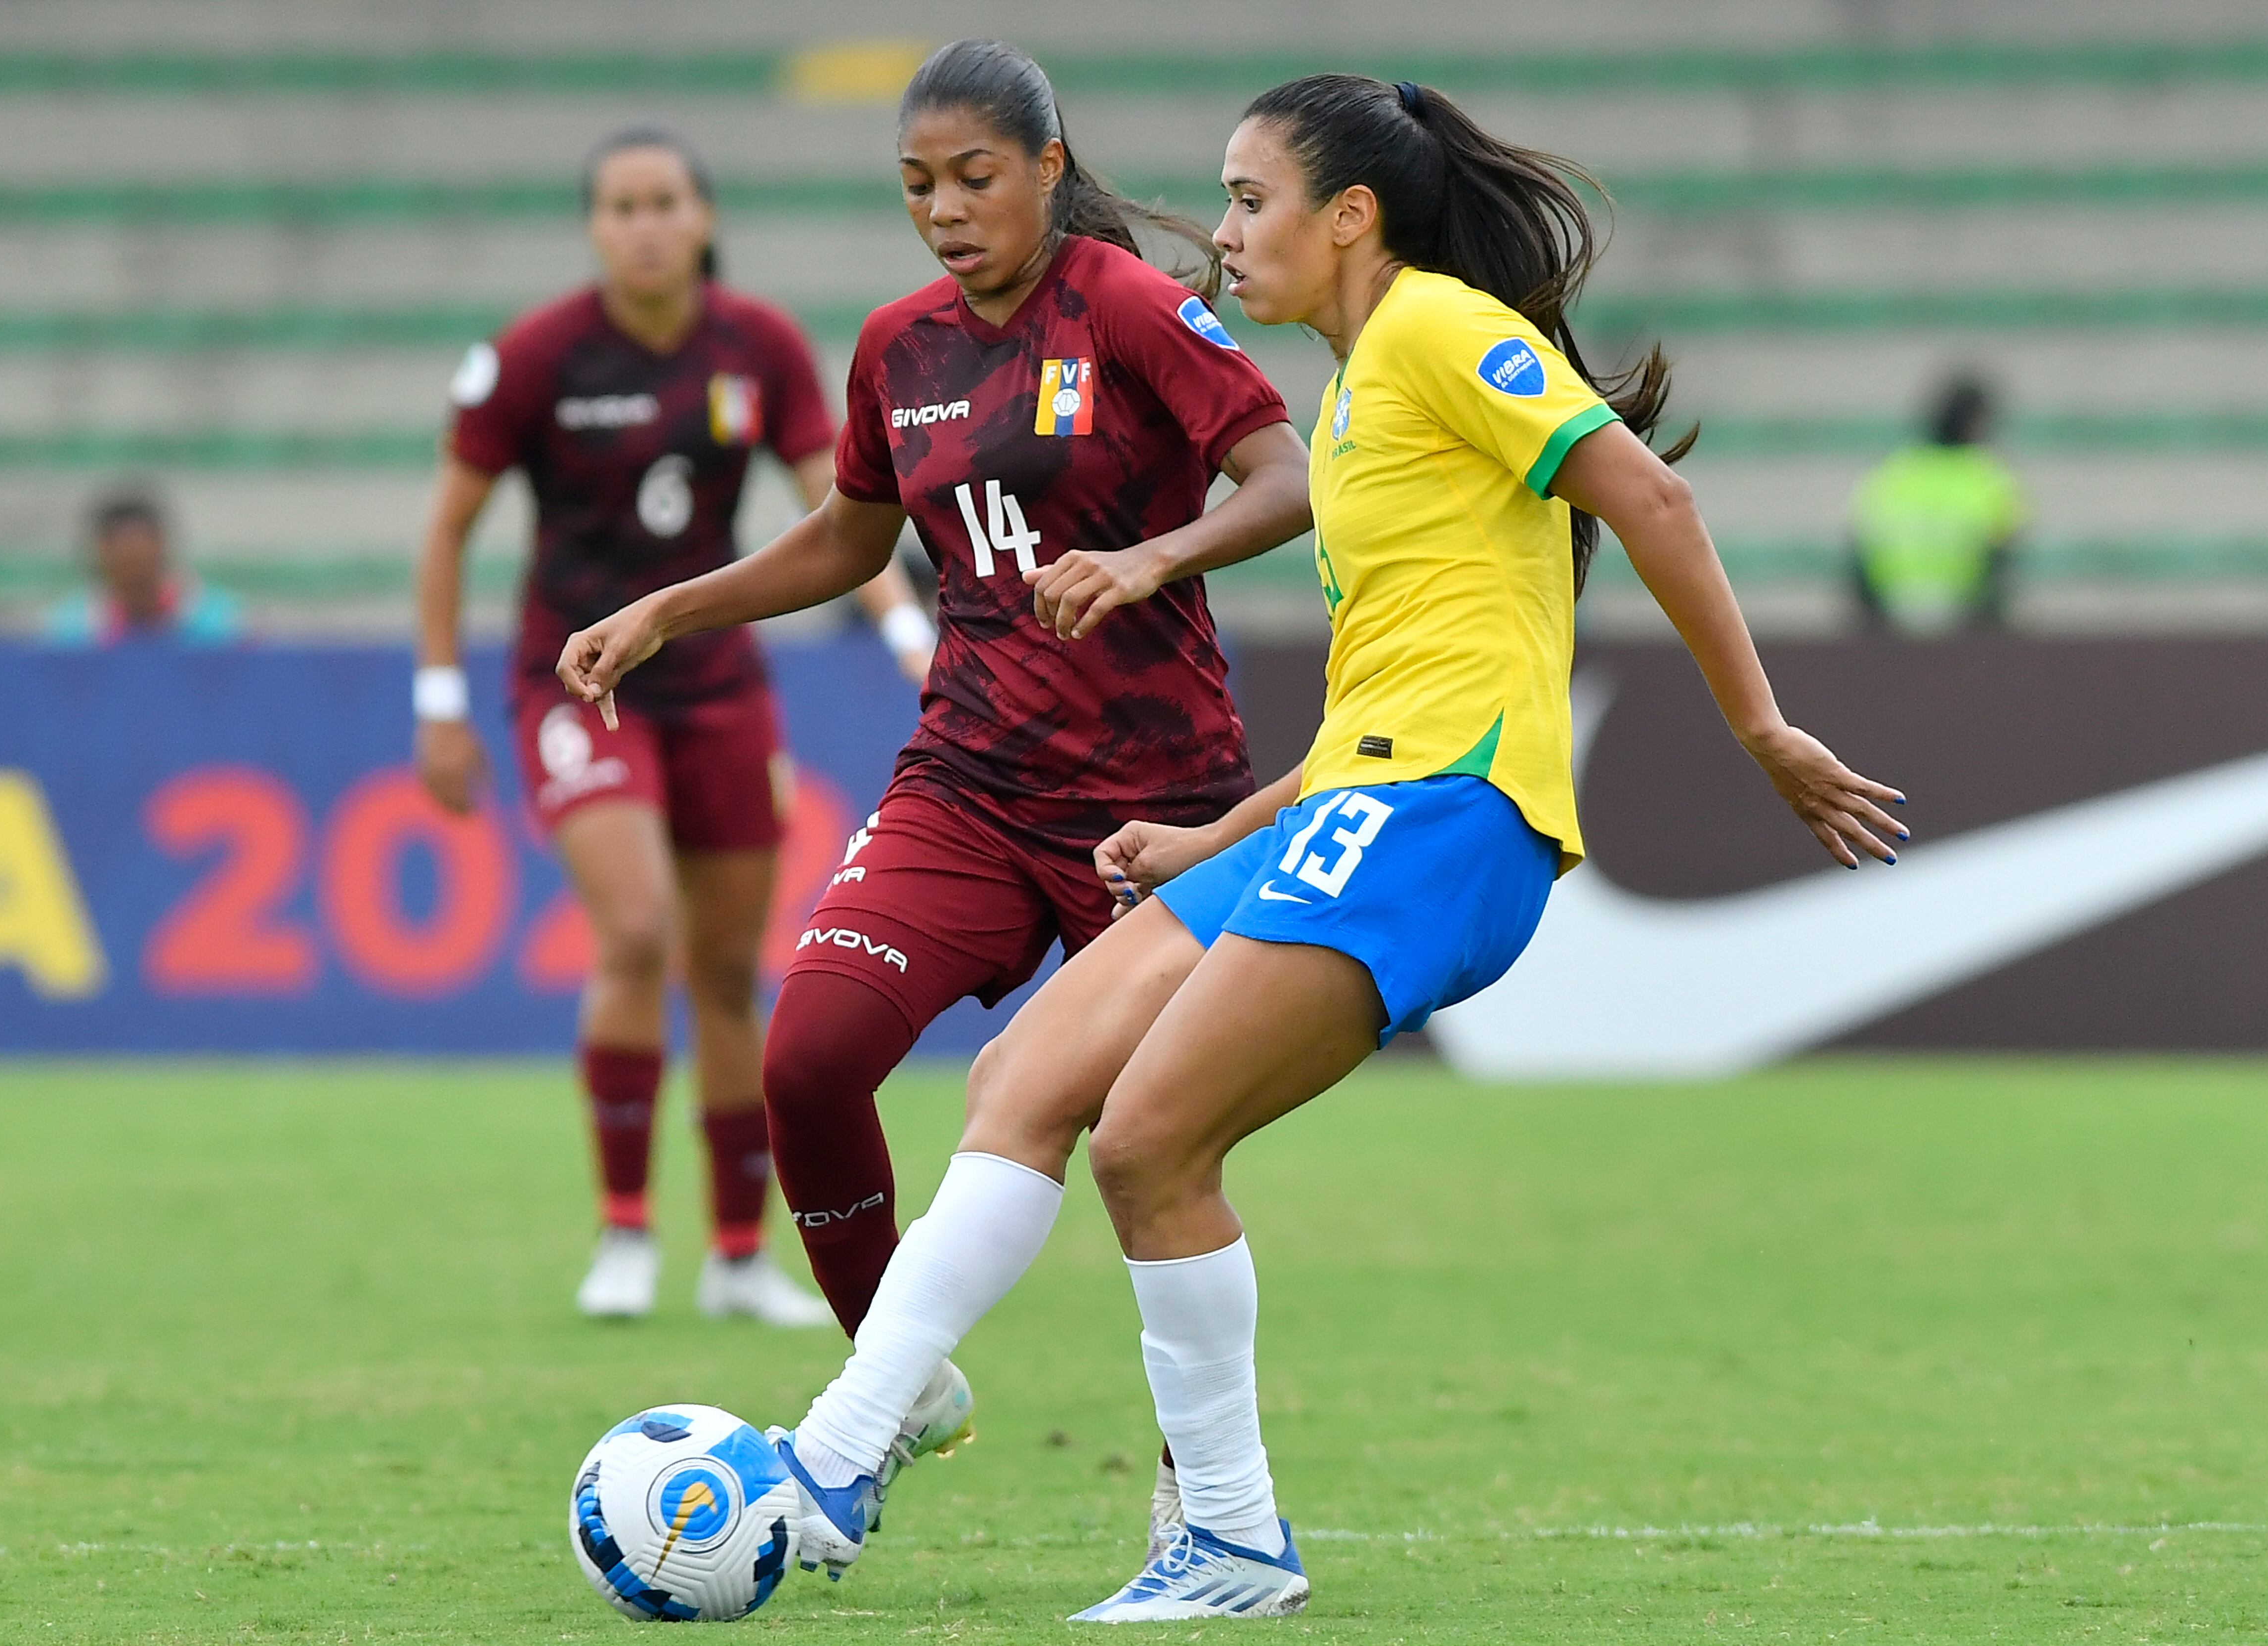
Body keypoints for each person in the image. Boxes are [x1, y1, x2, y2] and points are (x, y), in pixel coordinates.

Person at [589, 74, 1911, 1622]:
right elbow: (1378, 707)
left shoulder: (1439, 329)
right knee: (1025, 1078)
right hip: (1357, 800)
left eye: (1248, 199)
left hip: (1449, 819)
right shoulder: (1355, 396)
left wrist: (1762, 728)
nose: (1220, 235)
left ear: (1349, 215)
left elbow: (1650, 491)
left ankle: (1206, 1532)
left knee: (1149, 1142)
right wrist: (1215, 833)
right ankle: (847, 1454)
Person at [555, 39, 1312, 1484]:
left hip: (1155, 807)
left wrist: (1152, 557)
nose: (945, 211)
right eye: (916, 186)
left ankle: (1202, 1499)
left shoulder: (1127, 306)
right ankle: (891, 1393)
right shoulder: (896, 346)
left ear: (1046, 168)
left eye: (974, 178)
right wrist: (667, 608)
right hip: (968, 782)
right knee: (806, 1061)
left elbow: (1285, 477)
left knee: (1151, 1145)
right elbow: (850, 537)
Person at [412, 124, 936, 1325]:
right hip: (578, 680)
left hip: (717, 686)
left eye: (664, 204)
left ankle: (739, 1257)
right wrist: (438, 700)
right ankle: (626, 1232)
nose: (644, 226)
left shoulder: (759, 348)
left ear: (703, 219)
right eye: (622, 207)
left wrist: (908, 632)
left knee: (729, 971)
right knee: (638, 930)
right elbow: (447, 528)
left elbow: (839, 511)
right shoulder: (535, 358)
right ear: (594, 228)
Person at [1848, 373, 2025, 635]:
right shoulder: (1991, 478)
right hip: (1967, 629)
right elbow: (2002, 567)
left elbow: (1860, 563)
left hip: (1893, 626)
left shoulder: (1892, 473)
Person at [42, 484, 245, 646]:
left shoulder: (222, 624)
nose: (135, 567)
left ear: (162, 546)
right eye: (124, 554)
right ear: (101, 552)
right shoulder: (72, 630)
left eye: (141, 552)